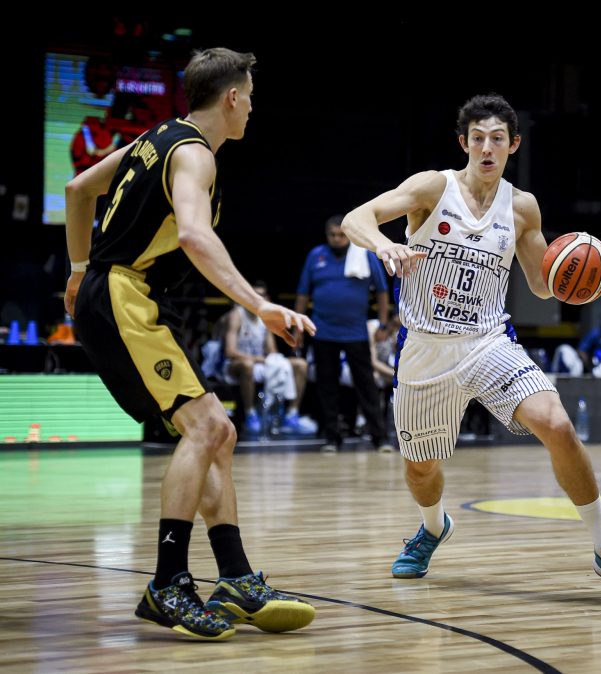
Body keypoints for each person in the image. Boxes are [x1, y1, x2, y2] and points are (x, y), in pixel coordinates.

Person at [340, 93, 601, 603]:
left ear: (513, 145)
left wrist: (595, 269)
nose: (487, 148)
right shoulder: (433, 187)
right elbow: (357, 217)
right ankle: (433, 527)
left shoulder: (522, 207)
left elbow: (543, 284)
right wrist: (384, 244)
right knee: (421, 469)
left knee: (557, 425)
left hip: (488, 342)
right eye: (478, 139)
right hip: (425, 349)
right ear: (464, 143)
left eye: (497, 139)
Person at [63, 48, 316, 640]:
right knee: (205, 428)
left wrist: (77, 271)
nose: (251, 109)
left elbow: (78, 188)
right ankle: (168, 584)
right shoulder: (195, 155)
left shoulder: (155, 138)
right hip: (124, 296)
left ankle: (235, 577)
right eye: (250, 98)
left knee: (217, 431)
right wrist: (260, 306)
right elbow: (197, 238)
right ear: (232, 97)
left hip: (118, 293)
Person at [295, 215, 392, 452]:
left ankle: (379, 438)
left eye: (341, 235)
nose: (337, 239)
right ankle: (332, 438)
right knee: (326, 387)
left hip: (355, 332)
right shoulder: (316, 255)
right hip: (323, 331)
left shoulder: (365, 255)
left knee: (366, 386)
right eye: (332, 235)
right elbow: (303, 293)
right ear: (326, 235)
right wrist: (298, 326)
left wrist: (382, 324)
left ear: (348, 235)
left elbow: (382, 291)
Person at [223, 280, 316, 435]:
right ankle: (250, 414)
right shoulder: (236, 315)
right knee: (247, 365)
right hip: (235, 365)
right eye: (255, 295)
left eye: (262, 295)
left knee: (300, 364)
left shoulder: (265, 317)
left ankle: (291, 414)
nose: (258, 298)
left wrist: (275, 361)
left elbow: (272, 351)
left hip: (260, 364)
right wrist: (259, 359)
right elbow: (230, 352)